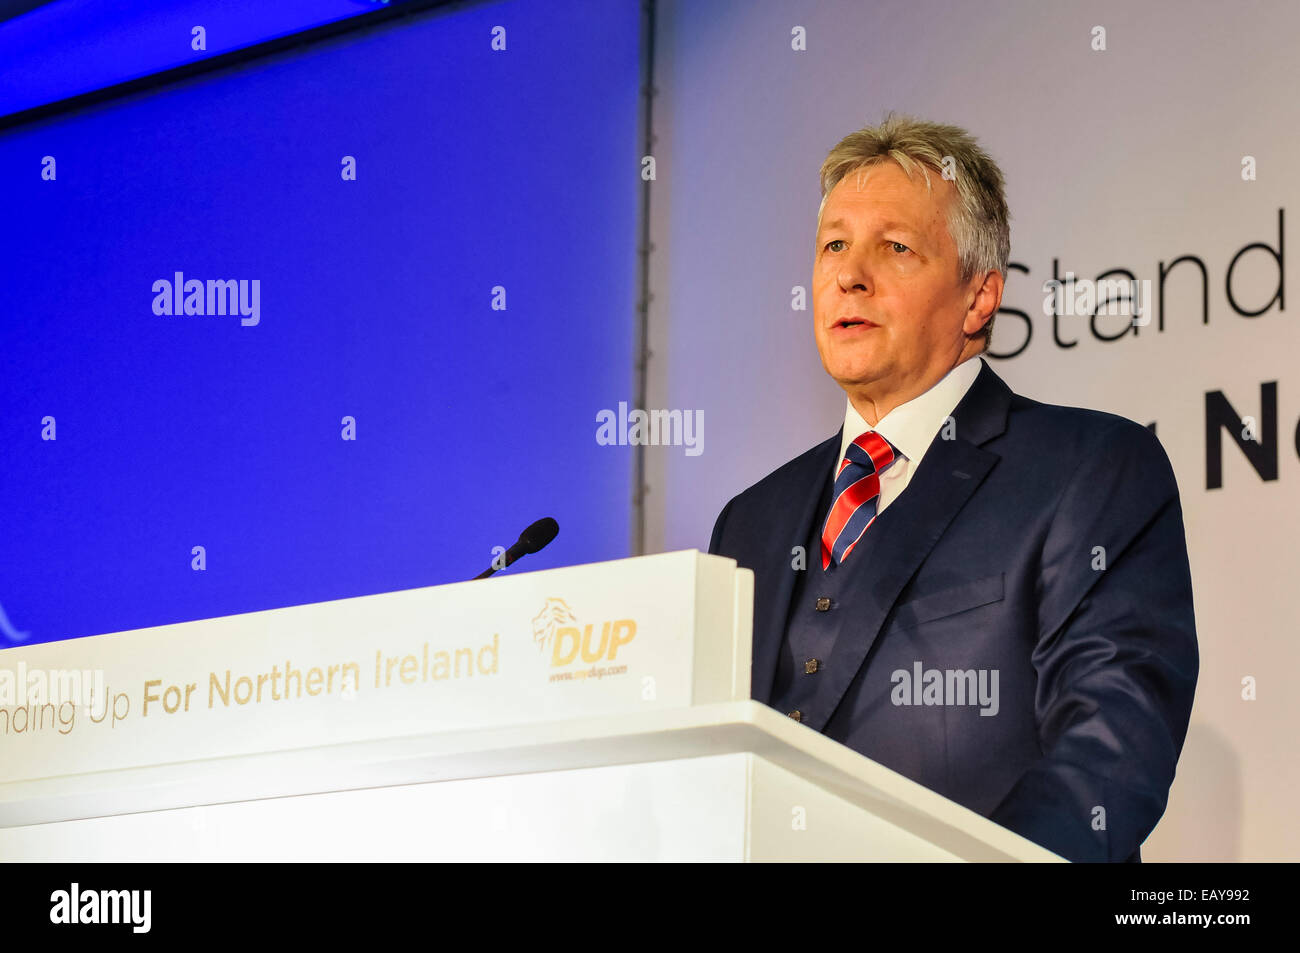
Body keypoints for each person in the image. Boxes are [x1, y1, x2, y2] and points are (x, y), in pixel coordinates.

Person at [708, 114, 1198, 863]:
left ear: (978, 298)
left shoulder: (1093, 467)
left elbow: (1110, 750)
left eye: (895, 247)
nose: (849, 272)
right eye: (834, 244)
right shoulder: (751, 520)